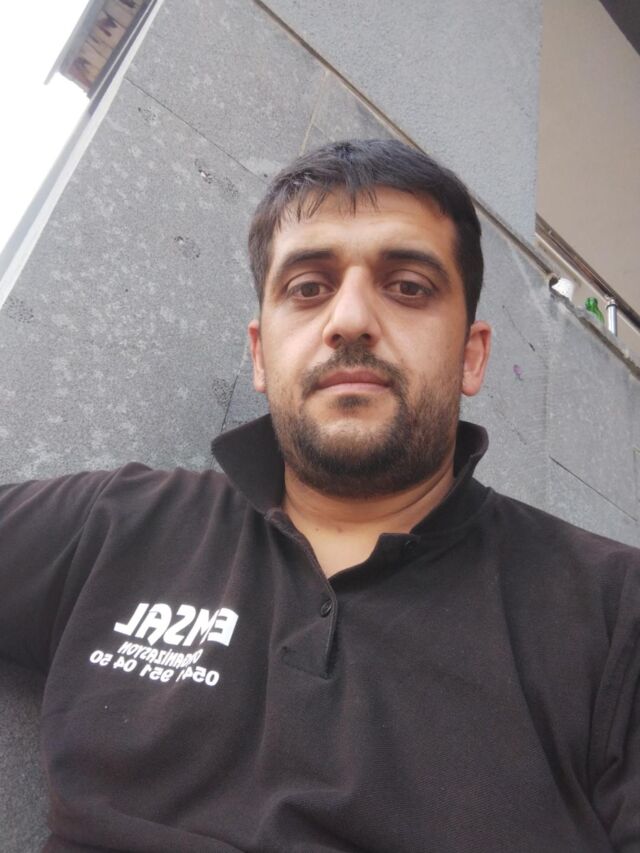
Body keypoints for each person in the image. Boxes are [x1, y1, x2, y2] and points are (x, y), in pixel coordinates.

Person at [0, 139, 638, 853]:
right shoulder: (119, 522)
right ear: (260, 353)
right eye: (308, 288)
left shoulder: (615, 612)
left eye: (408, 286)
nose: (350, 319)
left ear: (471, 354)